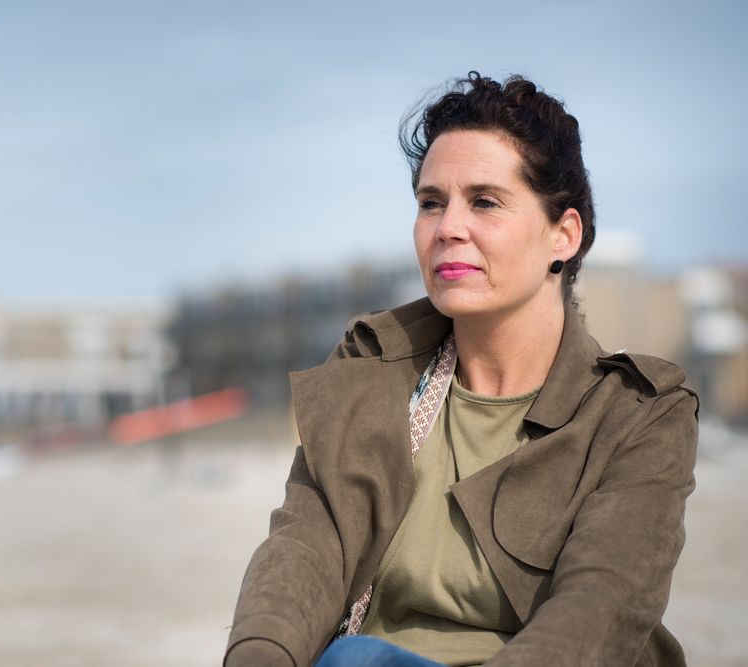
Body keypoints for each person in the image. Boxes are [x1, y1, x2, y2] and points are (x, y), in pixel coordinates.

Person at [224, 72, 699, 667]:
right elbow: (303, 547)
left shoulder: (638, 413)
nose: (448, 227)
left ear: (564, 234)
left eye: (485, 201)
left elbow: (604, 603)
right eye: (431, 203)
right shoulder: (372, 370)